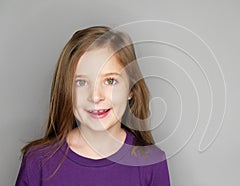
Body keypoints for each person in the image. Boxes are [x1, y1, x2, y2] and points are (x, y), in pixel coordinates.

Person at [16, 26, 171, 186]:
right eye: (81, 82)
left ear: (131, 89)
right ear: (66, 91)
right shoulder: (38, 161)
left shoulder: (152, 163)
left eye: (110, 81)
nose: (95, 96)